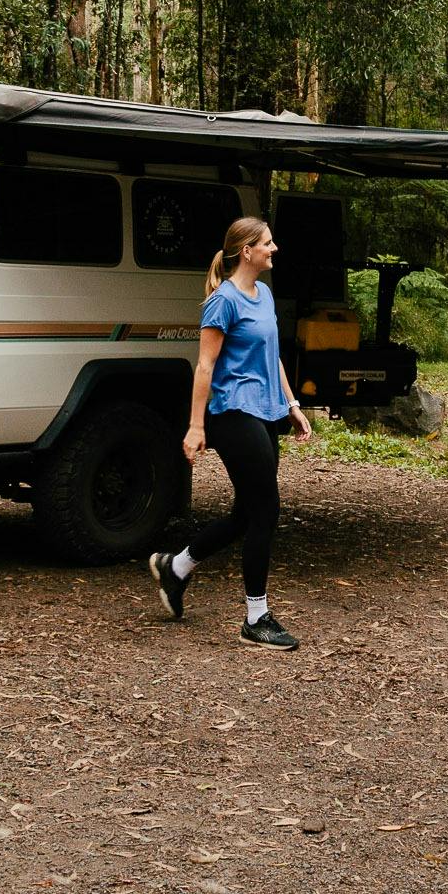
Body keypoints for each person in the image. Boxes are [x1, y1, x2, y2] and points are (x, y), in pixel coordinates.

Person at [149, 215, 312, 650]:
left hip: (264, 411)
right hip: (231, 412)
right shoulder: (224, 301)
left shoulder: (264, 295)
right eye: (268, 243)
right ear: (247, 252)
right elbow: (204, 367)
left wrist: (292, 405)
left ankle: (176, 567)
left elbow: (272, 356)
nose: (274, 249)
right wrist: (196, 425)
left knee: (247, 512)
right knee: (267, 509)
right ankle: (256, 617)